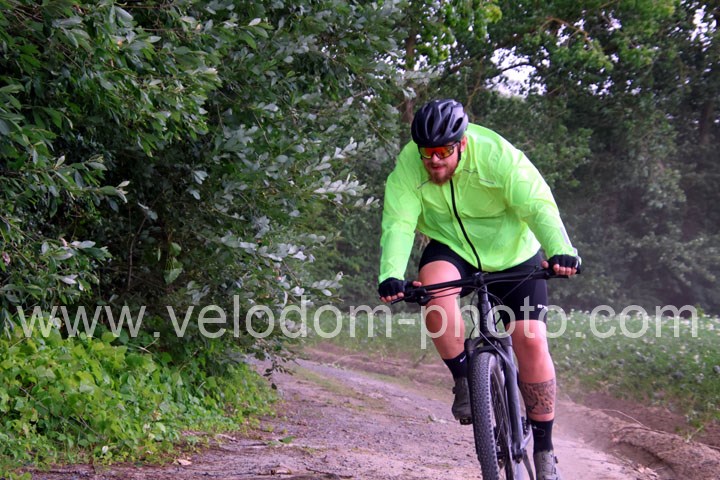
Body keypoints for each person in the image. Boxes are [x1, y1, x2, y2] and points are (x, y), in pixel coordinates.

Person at [377, 99, 579, 480]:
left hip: (513, 252)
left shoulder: (498, 156)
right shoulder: (408, 166)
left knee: (531, 339)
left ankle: (545, 449)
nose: (433, 160)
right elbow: (399, 222)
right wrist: (391, 274)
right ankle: (465, 378)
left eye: (443, 151)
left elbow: (538, 204)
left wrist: (560, 251)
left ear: (462, 143)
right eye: (426, 152)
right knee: (434, 293)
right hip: (452, 246)